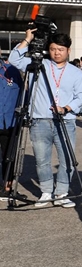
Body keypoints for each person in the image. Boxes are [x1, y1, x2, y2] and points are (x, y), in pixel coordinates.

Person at [9, 31, 82, 208]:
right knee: (41, 159)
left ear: (68, 50)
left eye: (60, 49)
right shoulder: (37, 65)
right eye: (52, 49)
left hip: (65, 120)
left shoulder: (76, 73)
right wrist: (27, 39)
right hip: (39, 120)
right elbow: (14, 59)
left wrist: (67, 108)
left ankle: (61, 192)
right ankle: (46, 191)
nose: (56, 53)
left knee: (66, 159)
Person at [0, 52, 23, 200]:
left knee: (9, 155)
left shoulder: (12, 70)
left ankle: (7, 187)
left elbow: (22, 94)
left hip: (9, 120)